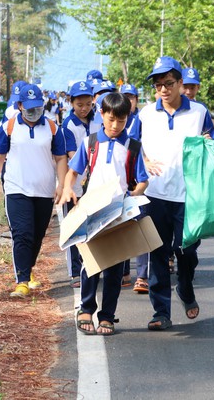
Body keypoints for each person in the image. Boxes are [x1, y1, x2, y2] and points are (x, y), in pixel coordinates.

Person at [60, 92, 149, 336]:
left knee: (115, 268)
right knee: (91, 262)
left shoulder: (132, 146)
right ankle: (86, 309)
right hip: (93, 210)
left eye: (121, 121)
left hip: (119, 213)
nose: (115, 126)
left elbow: (142, 181)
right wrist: (68, 188)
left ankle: (107, 315)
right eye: (110, 120)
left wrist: (134, 195)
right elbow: (73, 172)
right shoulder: (90, 143)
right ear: (101, 115)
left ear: (128, 119)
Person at [138, 56, 214, 330]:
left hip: (188, 196)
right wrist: (144, 162)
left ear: (181, 83)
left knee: (188, 252)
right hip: (155, 195)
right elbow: (134, 145)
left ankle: (185, 286)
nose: (163, 90)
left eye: (168, 83)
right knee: (157, 254)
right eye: (158, 85)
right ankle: (161, 312)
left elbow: (212, 145)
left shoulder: (199, 112)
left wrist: (208, 145)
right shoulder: (146, 114)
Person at [0, 83, 68, 299]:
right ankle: (21, 280)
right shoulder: (8, 127)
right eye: (29, 107)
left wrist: (62, 185)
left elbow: (60, 158)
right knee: (22, 234)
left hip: (44, 191)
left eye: (37, 107)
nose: (34, 112)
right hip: (16, 188)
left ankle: (27, 269)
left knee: (37, 235)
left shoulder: (52, 128)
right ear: (20, 105)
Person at [61, 80, 101, 288]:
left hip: (95, 182)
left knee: (94, 225)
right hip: (75, 182)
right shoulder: (68, 125)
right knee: (74, 226)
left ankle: (92, 265)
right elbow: (71, 154)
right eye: (79, 105)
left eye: (88, 104)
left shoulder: (98, 121)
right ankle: (75, 271)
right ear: (71, 103)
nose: (84, 109)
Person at [119, 83, 148, 292]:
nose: (129, 101)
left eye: (132, 97)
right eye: (125, 97)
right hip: (119, 180)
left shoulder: (142, 118)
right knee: (121, 229)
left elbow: (139, 146)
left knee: (140, 227)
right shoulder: (115, 118)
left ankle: (143, 276)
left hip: (138, 177)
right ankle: (124, 271)